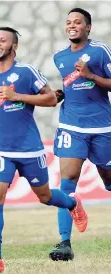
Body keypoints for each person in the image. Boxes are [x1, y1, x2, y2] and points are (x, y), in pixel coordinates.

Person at [0, 27, 87, 273]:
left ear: (13, 46)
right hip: (0, 148)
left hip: (29, 148)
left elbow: (49, 99)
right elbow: (0, 106)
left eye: (3, 40)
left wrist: (17, 95)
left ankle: (71, 202)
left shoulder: (26, 72)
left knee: (45, 197)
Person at [49, 7, 111, 262]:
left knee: (109, 180)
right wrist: (60, 94)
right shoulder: (59, 57)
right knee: (68, 182)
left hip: (102, 128)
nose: (72, 25)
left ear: (88, 27)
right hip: (72, 126)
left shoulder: (99, 50)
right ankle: (64, 243)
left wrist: (90, 75)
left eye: (78, 22)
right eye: (69, 22)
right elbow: (70, 85)